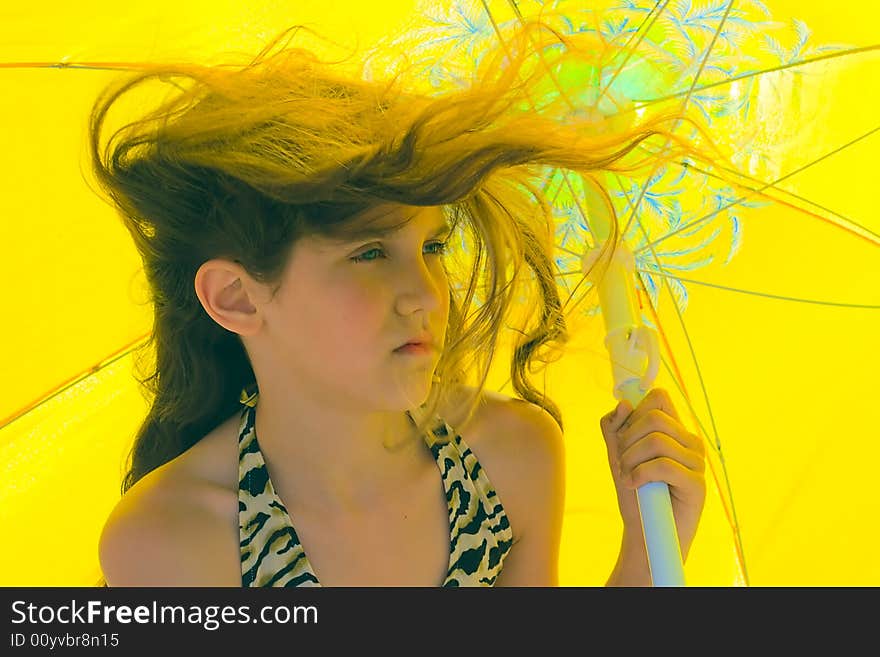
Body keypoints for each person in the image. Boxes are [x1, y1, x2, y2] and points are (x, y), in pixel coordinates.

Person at [90, 21, 709, 587]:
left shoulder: (511, 458)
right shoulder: (172, 542)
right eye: (368, 253)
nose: (426, 295)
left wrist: (652, 550)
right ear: (237, 298)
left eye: (433, 246)